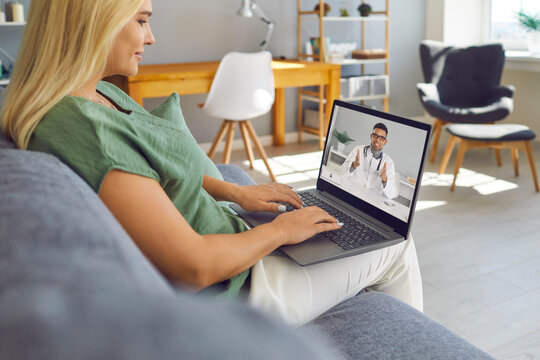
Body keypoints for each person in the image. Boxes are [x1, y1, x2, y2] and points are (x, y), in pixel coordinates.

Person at [0, 0, 422, 326]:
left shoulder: (98, 95)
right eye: (142, 20)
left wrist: (235, 191)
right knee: (399, 244)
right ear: (96, 21)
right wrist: (280, 231)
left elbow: (156, 169)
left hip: (235, 245)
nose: (152, 39)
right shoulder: (84, 127)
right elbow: (195, 267)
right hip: (240, 288)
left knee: (348, 231)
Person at [340, 123, 398, 199]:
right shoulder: (358, 150)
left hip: (371, 202)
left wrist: (384, 179)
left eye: (381, 138)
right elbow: (341, 172)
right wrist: (353, 166)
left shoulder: (389, 163)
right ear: (371, 136)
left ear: (385, 141)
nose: (377, 140)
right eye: (375, 136)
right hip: (351, 195)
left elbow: (391, 194)